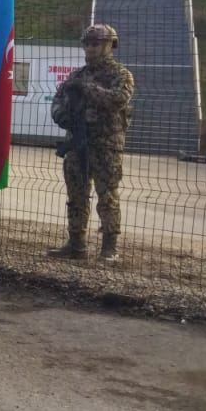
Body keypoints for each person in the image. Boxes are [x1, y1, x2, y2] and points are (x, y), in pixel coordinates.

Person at [49, 24, 135, 262]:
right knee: (76, 194)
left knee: (107, 196)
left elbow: (118, 99)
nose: (90, 48)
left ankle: (109, 246)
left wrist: (87, 90)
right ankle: (76, 243)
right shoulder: (76, 75)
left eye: (96, 43)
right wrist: (61, 116)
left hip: (106, 145)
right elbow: (58, 101)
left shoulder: (120, 75)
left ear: (110, 45)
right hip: (77, 142)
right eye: (87, 44)